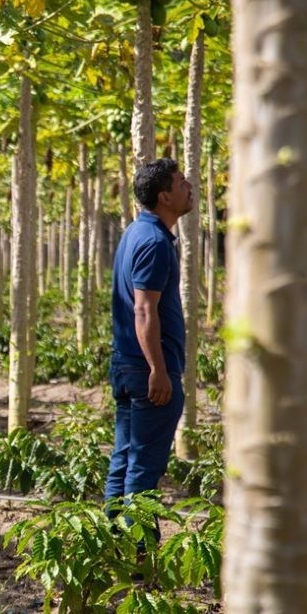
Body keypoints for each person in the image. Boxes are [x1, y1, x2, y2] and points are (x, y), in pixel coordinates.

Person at [105, 157, 193, 531]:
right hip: (146, 370)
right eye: (181, 183)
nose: (189, 187)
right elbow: (144, 310)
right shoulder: (155, 242)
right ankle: (139, 560)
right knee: (143, 471)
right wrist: (158, 369)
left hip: (129, 366)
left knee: (124, 462)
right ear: (164, 197)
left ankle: (110, 548)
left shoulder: (135, 233)